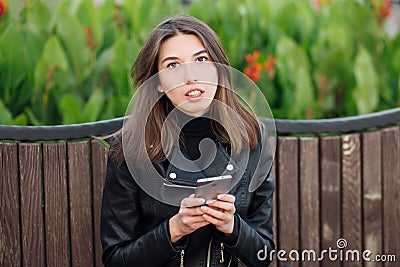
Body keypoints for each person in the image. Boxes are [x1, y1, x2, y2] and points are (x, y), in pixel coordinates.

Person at [101, 14, 274, 267]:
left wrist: (232, 226)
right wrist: (174, 229)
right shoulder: (131, 147)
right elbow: (116, 259)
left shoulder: (251, 136)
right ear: (157, 83)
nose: (191, 76)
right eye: (173, 65)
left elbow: (264, 255)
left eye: (201, 59)